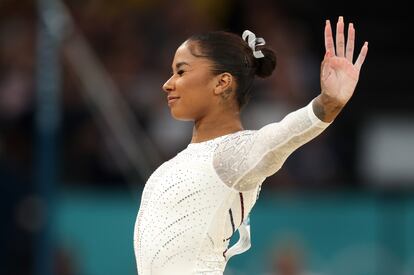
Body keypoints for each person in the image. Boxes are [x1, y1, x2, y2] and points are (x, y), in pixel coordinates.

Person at [133, 16, 368, 275]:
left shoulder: (234, 155)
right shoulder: (174, 165)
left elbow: (282, 136)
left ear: (222, 82)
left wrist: (328, 102)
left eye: (181, 71)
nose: (168, 83)